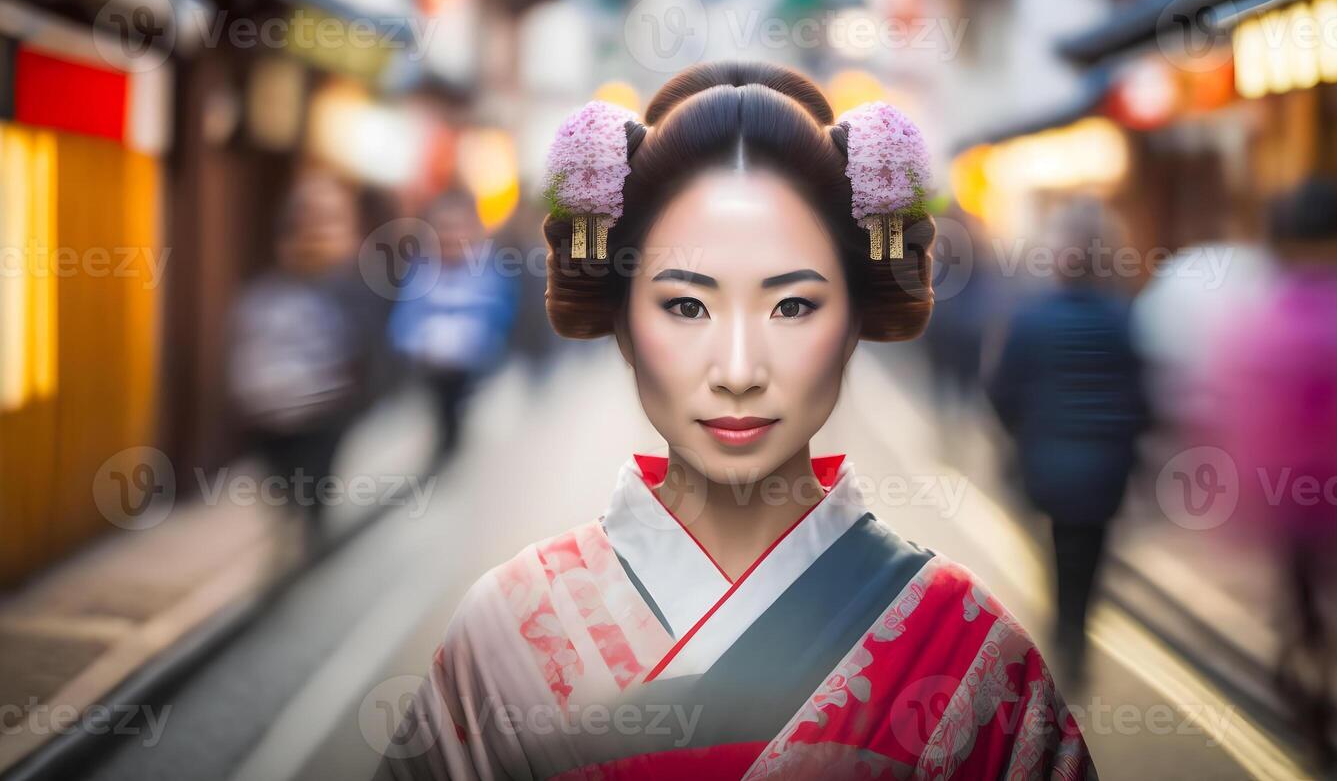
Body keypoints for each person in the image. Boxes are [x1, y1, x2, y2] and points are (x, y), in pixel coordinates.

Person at [377, 62, 1093, 779]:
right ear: (620, 320)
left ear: (856, 321)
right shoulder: (501, 636)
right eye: (686, 306)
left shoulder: (972, 649)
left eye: (794, 306)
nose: (740, 369)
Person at [1202, 176, 1337, 767]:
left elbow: (1242, 405)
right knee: (1327, 596)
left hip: (1300, 488)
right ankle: (1313, 682)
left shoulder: (1272, 312)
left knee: (1309, 593)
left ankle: (1303, 670)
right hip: (1331, 488)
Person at [988, 198, 1151, 687]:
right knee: (1092, 549)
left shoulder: (1030, 318)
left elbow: (1000, 389)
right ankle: (1076, 629)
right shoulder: (1125, 318)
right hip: (1106, 467)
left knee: (1059, 545)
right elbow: (1143, 395)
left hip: (1047, 463)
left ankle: (1064, 628)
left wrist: (1021, 434)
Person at [227, 172, 372, 550]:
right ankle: (295, 534)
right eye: (307, 223)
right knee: (283, 489)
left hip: (324, 416)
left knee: (311, 496)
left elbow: (367, 355)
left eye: (329, 222)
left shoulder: (353, 290)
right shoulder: (264, 295)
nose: (316, 235)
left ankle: (307, 536)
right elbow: (246, 349)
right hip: (271, 417)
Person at [389, 189, 519, 469]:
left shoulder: (488, 270)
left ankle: (454, 441)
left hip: (471, 362)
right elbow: (406, 311)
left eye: (457, 229)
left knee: (456, 405)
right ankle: (446, 440)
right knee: (439, 405)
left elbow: (499, 311)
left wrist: (486, 342)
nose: (450, 238)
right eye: (443, 230)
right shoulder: (421, 270)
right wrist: (406, 341)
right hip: (429, 359)